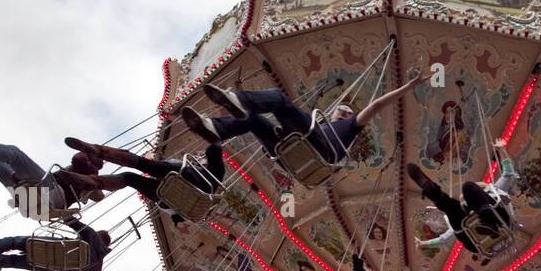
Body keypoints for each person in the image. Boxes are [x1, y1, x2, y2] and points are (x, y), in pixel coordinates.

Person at [182, 72, 428, 165]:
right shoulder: (316, 122)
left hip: (322, 150)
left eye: (348, 112)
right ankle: (216, 129)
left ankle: (239, 100)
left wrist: (409, 85)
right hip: (291, 150)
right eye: (341, 109)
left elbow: (376, 105)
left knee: (278, 98)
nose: (344, 112)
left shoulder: (350, 128)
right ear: (331, 111)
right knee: (256, 121)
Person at [61, 136, 228, 221]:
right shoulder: (205, 174)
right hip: (169, 199)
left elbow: (214, 150)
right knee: (129, 178)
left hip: (186, 181)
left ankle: (97, 151)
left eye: (200, 157)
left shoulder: (215, 170)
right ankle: (91, 182)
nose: (198, 157)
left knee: (144, 164)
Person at [409, 142, 520, 256]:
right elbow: (444, 239)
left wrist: (501, 149)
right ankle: (433, 192)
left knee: (466, 188)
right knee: (453, 209)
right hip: (476, 236)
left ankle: (488, 221)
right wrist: (422, 244)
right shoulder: (465, 215)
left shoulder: (493, 190)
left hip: (497, 223)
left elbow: (508, 173)